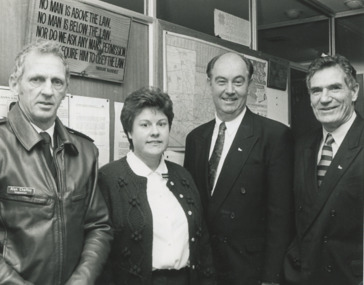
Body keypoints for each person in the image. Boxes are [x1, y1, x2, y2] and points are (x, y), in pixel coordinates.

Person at [0, 40, 113, 284]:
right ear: (14, 84)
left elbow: (99, 227)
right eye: (36, 79)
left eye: (57, 81)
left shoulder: (84, 151)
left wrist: (81, 280)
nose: (48, 91)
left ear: (65, 89)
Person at [184, 52, 294, 285]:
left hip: (249, 271)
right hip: (204, 269)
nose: (230, 90)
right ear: (209, 84)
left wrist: (271, 278)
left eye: (238, 81)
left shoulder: (274, 136)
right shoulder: (195, 139)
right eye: (221, 81)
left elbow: (281, 217)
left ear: (250, 85)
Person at [98, 87, 215, 285]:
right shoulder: (108, 178)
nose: (155, 132)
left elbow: (203, 243)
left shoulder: (182, 176)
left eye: (162, 124)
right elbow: (101, 251)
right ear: (129, 131)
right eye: (145, 125)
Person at [284, 54, 364, 285]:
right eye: (316, 91)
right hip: (302, 275)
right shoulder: (301, 144)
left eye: (335, 88)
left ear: (354, 91)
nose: (325, 99)